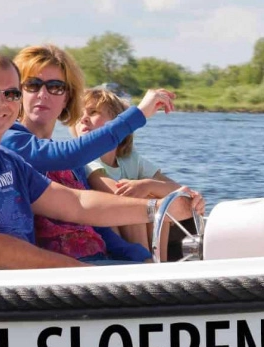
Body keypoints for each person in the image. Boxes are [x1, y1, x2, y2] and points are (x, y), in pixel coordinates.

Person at [0, 53, 201, 269]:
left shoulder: (7, 161)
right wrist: (78, 272)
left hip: (21, 289)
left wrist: (158, 209)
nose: (1, 102)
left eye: (10, 93)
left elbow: (78, 204)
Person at [2, 45, 201, 262]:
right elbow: (60, 154)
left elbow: (98, 228)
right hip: (57, 273)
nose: (43, 94)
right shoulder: (10, 141)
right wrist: (139, 113)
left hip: (99, 264)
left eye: (55, 87)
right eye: (32, 85)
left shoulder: (74, 166)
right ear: (18, 93)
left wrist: (143, 261)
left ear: (67, 98)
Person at [73, 87, 202, 250]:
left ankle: (159, 264)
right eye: (78, 115)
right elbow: (117, 193)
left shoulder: (130, 159)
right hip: (102, 232)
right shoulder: (86, 158)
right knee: (138, 204)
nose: (83, 119)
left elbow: (179, 192)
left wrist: (149, 185)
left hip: (123, 229)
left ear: (118, 123)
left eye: (92, 112)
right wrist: (151, 191)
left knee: (156, 200)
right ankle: (145, 263)